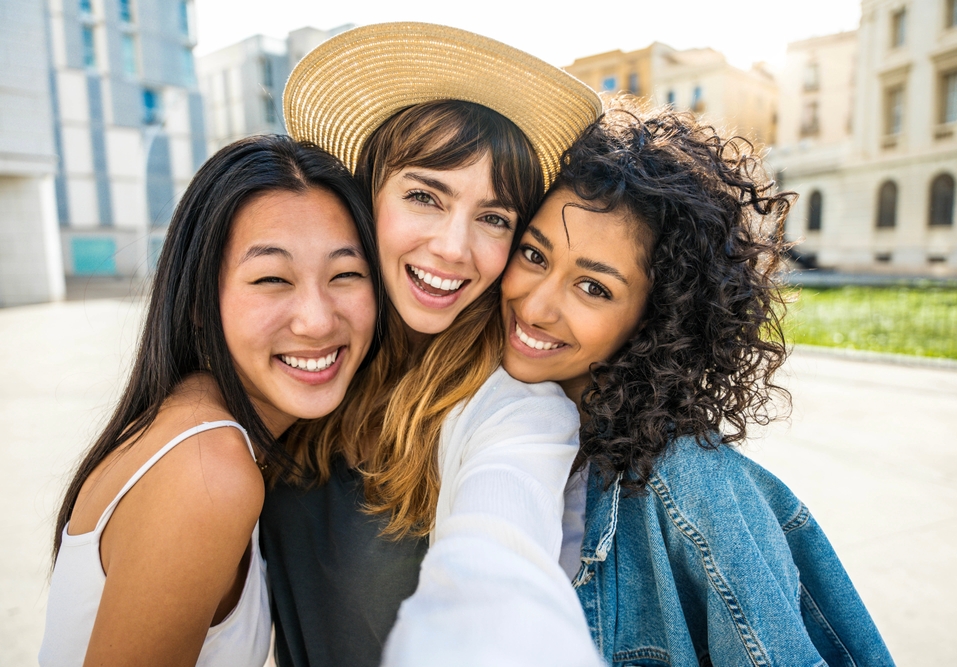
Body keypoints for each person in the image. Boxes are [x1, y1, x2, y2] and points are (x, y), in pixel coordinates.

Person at [498, 97, 896, 666]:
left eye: (594, 288)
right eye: (535, 255)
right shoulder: (482, 414)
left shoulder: (689, 486)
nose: (535, 306)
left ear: (657, 317)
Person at [258, 22, 604, 666]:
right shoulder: (304, 355)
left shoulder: (511, 409)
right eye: (424, 195)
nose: (452, 246)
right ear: (367, 195)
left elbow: (500, 574)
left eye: (494, 218)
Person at [39, 135, 379, 667]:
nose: (317, 319)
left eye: (345, 275)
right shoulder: (209, 471)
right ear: (199, 301)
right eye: (272, 278)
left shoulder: (194, 419)